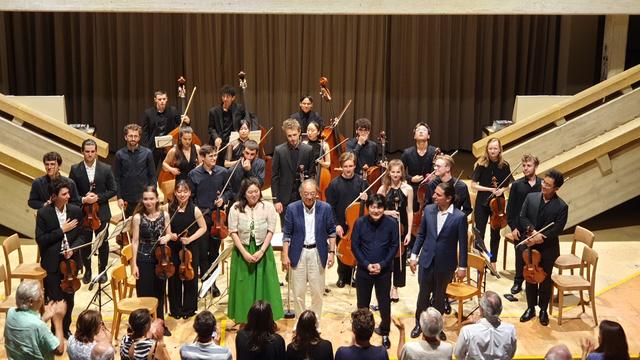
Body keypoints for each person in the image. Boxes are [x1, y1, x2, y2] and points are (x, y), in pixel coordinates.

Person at [409, 182, 468, 340]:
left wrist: (463, 266)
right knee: (423, 295)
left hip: (445, 264)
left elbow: (462, 244)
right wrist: (414, 256)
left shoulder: (459, 217)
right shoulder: (428, 210)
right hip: (427, 260)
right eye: (435, 193)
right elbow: (421, 234)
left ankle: (436, 326)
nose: (434, 196)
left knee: (439, 297)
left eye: (438, 194)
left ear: (448, 198)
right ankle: (419, 323)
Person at [228, 178, 284, 323]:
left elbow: (271, 230)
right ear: (244, 193)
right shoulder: (235, 208)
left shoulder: (268, 207)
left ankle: (266, 320)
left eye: (256, 191)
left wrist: (261, 250)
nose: (253, 195)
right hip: (243, 251)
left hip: (263, 251)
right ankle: (245, 319)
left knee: (266, 285)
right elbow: (233, 231)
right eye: (250, 192)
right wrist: (244, 253)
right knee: (244, 287)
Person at [519, 169, 569, 326]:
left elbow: (557, 228)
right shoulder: (531, 197)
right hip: (529, 244)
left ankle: (543, 310)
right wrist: (532, 232)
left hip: (548, 248)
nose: (543, 185)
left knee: (545, 279)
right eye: (544, 182)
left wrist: (540, 238)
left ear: (556, 189)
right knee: (530, 277)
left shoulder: (561, 206)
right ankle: (530, 307)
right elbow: (523, 216)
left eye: (548, 185)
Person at [35, 179, 84, 338]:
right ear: (54, 196)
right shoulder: (44, 213)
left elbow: (82, 235)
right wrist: (61, 230)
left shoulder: (75, 210)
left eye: (68, 193)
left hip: (71, 262)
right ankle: (55, 330)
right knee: (56, 300)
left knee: (69, 299)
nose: (68, 196)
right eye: (64, 194)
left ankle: (66, 328)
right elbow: (41, 239)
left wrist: (72, 248)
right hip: (52, 263)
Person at [282, 179, 337, 317]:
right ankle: (300, 323)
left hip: (317, 253)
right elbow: (287, 234)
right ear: (301, 193)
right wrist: (285, 255)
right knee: (298, 292)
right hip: (298, 253)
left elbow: (331, 231)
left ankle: (315, 323)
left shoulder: (325, 208)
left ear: (317, 193)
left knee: (317, 293)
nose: (309, 197)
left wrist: (331, 252)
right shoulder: (292, 208)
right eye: (306, 193)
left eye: (312, 193)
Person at [351, 194, 399, 349]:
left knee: (384, 303)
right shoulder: (360, 223)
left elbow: (394, 247)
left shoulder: (391, 224)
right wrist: (365, 264)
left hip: (383, 272)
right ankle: (360, 335)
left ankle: (385, 332)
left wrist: (382, 264)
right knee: (362, 305)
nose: (376, 210)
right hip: (364, 272)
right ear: (368, 208)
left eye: (379, 207)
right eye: (372, 207)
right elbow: (355, 246)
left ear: (384, 208)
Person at [69, 139, 118, 284]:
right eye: (87, 151)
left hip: (101, 212)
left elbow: (113, 190)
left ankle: (102, 271)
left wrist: (98, 197)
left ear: (96, 152)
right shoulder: (75, 169)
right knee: (86, 243)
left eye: (92, 151)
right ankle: (88, 270)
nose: (90, 154)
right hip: (83, 214)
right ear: (82, 152)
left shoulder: (106, 168)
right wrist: (84, 200)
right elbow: (71, 193)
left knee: (102, 242)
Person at [188, 145, 232, 296]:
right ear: (202, 158)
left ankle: (212, 284)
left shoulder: (222, 172)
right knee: (202, 253)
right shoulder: (193, 174)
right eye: (210, 156)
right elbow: (191, 198)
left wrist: (223, 199)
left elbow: (229, 191)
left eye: (215, 156)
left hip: (217, 219)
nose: (214, 158)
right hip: (201, 219)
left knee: (214, 252)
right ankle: (205, 283)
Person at [130, 186, 172, 335]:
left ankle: (160, 323)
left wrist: (166, 238)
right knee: (145, 293)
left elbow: (169, 234)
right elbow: (135, 242)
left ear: (157, 199)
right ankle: (144, 327)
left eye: (151, 198)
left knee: (160, 292)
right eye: (146, 199)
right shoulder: (137, 218)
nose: (148, 202)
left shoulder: (165, 215)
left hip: (161, 259)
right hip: (143, 259)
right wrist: (134, 264)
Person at [325, 152, 368, 288]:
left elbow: (372, 204)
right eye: (345, 166)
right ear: (341, 167)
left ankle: (354, 275)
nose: (348, 169)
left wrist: (367, 198)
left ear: (355, 166)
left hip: (358, 223)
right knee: (342, 251)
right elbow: (330, 206)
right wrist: (336, 224)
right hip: (341, 223)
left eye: (351, 166)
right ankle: (342, 276)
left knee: (357, 250)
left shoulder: (362, 183)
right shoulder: (334, 184)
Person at [471, 137, 513, 271]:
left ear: (500, 149)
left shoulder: (504, 165)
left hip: (498, 204)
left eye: (495, 148)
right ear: (487, 149)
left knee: (495, 234)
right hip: (482, 202)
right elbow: (473, 185)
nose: (492, 151)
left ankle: (493, 261)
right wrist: (490, 189)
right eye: (490, 148)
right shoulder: (481, 164)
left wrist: (502, 189)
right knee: (480, 233)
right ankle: (480, 260)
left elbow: (509, 183)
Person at [167, 180, 207, 319]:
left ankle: (189, 310)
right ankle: (175, 310)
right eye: (179, 192)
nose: (182, 194)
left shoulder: (195, 209)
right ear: (175, 193)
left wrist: (190, 239)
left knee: (190, 278)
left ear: (190, 193)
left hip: (190, 248)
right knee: (174, 279)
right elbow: (167, 228)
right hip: (174, 247)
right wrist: (170, 235)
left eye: (185, 191)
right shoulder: (169, 208)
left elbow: (203, 228)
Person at [377, 159, 414, 301]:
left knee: (399, 258)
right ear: (389, 172)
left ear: (402, 172)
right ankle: (384, 286)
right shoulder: (383, 189)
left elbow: (410, 211)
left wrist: (409, 233)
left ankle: (395, 288)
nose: (395, 175)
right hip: (385, 228)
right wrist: (388, 212)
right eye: (393, 172)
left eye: (398, 172)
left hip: (402, 227)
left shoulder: (408, 189)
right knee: (385, 258)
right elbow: (376, 210)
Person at [506, 154, 542, 294]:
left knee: (538, 255)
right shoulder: (516, 185)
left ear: (536, 167)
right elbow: (511, 209)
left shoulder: (542, 184)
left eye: (529, 165)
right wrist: (513, 228)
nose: (525, 168)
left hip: (537, 228)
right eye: (524, 165)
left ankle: (535, 280)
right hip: (520, 228)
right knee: (520, 255)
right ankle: (518, 281)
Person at [4, 280, 67, 359]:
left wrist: (43, 318)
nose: (43, 294)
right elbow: (59, 350)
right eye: (41, 294)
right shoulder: (38, 326)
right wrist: (58, 320)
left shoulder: (10, 312)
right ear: (31, 301)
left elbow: (28, 331)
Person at [271, 118, 315, 223]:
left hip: (304, 197)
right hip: (285, 199)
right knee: (286, 230)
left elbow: (312, 174)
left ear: (299, 132)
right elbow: (274, 177)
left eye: (294, 135)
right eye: (289, 136)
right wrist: (276, 200)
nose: (292, 138)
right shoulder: (279, 150)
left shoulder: (308, 150)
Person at [454, 291, 517, 360]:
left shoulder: (467, 331)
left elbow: (458, 355)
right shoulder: (510, 330)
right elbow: (511, 354)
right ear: (500, 309)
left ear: (481, 310)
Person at [141, 89, 191, 169]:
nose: (162, 101)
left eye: (164, 99)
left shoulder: (173, 111)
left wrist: (188, 122)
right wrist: (146, 148)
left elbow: (181, 126)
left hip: (168, 147)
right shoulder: (148, 113)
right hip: (154, 147)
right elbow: (144, 132)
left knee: (169, 169)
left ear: (167, 99)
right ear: (155, 100)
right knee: (151, 169)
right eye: (160, 99)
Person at [115, 123, 156, 218]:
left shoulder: (147, 153)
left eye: (135, 136)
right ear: (125, 137)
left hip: (144, 197)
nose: (133, 138)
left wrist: (152, 194)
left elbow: (152, 176)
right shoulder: (119, 154)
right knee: (129, 228)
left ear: (139, 137)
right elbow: (117, 178)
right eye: (130, 136)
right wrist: (119, 197)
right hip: (127, 199)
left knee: (144, 224)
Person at [400, 122, 439, 210]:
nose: (421, 132)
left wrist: (434, 176)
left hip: (430, 186)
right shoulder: (407, 153)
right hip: (412, 187)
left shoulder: (435, 152)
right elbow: (400, 172)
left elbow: (440, 171)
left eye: (424, 130)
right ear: (414, 136)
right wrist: (411, 178)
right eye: (418, 130)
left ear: (428, 136)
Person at [208, 85, 247, 166]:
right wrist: (216, 137)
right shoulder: (213, 111)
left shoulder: (239, 109)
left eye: (228, 97)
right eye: (223, 96)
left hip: (233, 144)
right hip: (219, 144)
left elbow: (246, 120)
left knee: (231, 168)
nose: (225, 99)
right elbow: (211, 128)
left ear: (233, 98)